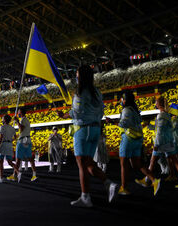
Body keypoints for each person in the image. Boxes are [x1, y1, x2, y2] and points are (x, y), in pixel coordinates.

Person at [57, 65, 118, 207]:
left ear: (81, 76)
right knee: (89, 163)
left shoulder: (79, 92)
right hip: (95, 129)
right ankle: (109, 183)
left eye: (77, 74)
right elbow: (101, 113)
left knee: (81, 165)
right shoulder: (97, 92)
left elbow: (76, 112)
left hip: (82, 130)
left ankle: (86, 197)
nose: (76, 76)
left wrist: (65, 115)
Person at [107, 91, 160, 196]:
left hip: (128, 138)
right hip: (137, 139)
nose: (121, 101)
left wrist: (112, 122)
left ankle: (124, 187)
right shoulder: (135, 110)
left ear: (125, 100)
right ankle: (154, 180)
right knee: (137, 164)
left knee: (124, 164)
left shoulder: (126, 110)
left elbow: (124, 124)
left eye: (122, 99)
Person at [136, 97, 178, 189]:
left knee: (154, 161)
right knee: (174, 160)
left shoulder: (161, 116)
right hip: (168, 141)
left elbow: (160, 132)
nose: (155, 104)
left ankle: (147, 180)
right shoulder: (167, 115)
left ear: (158, 104)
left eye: (156, 103)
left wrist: (156, 144)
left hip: (162, 142)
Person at [7, 108, 38, 182]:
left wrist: (17, 121)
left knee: (18, 160)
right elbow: (22, 132)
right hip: (28, 140)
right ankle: (34, 175)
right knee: (30, 159)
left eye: (18, 112)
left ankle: (14, 175)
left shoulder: (23, 120)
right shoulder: (26, 120)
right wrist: (14, 137)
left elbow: (21, 129)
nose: (17, 113)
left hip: (22, 142)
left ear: (21, 113)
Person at [0, 114, 21, 183]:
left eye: (2, 118)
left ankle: (1, 178)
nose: (2, 119)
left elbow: (1, 137)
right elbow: (15, 137)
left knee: (1, 162)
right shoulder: (12, 128)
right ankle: (18, 172)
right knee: (10, 162)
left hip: (3, 144)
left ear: (4, 120)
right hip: (9, 145)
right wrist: (10, 140)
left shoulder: (2, 127)